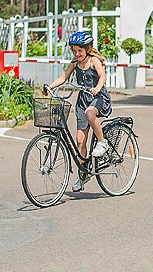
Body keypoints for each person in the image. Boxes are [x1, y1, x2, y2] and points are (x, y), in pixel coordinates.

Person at [44, 31, 112, 192]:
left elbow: (102, 77)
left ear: (87, 49)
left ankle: (102, 142)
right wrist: (50, 87)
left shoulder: (94, 60)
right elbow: (64, 77)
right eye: (74, 50)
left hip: (99, 97)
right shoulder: (75, 62)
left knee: (90, 113)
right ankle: (83, 175)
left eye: (79, 50)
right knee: (80, 140)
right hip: (83, 100)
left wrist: (97, 88)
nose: (76, 53)